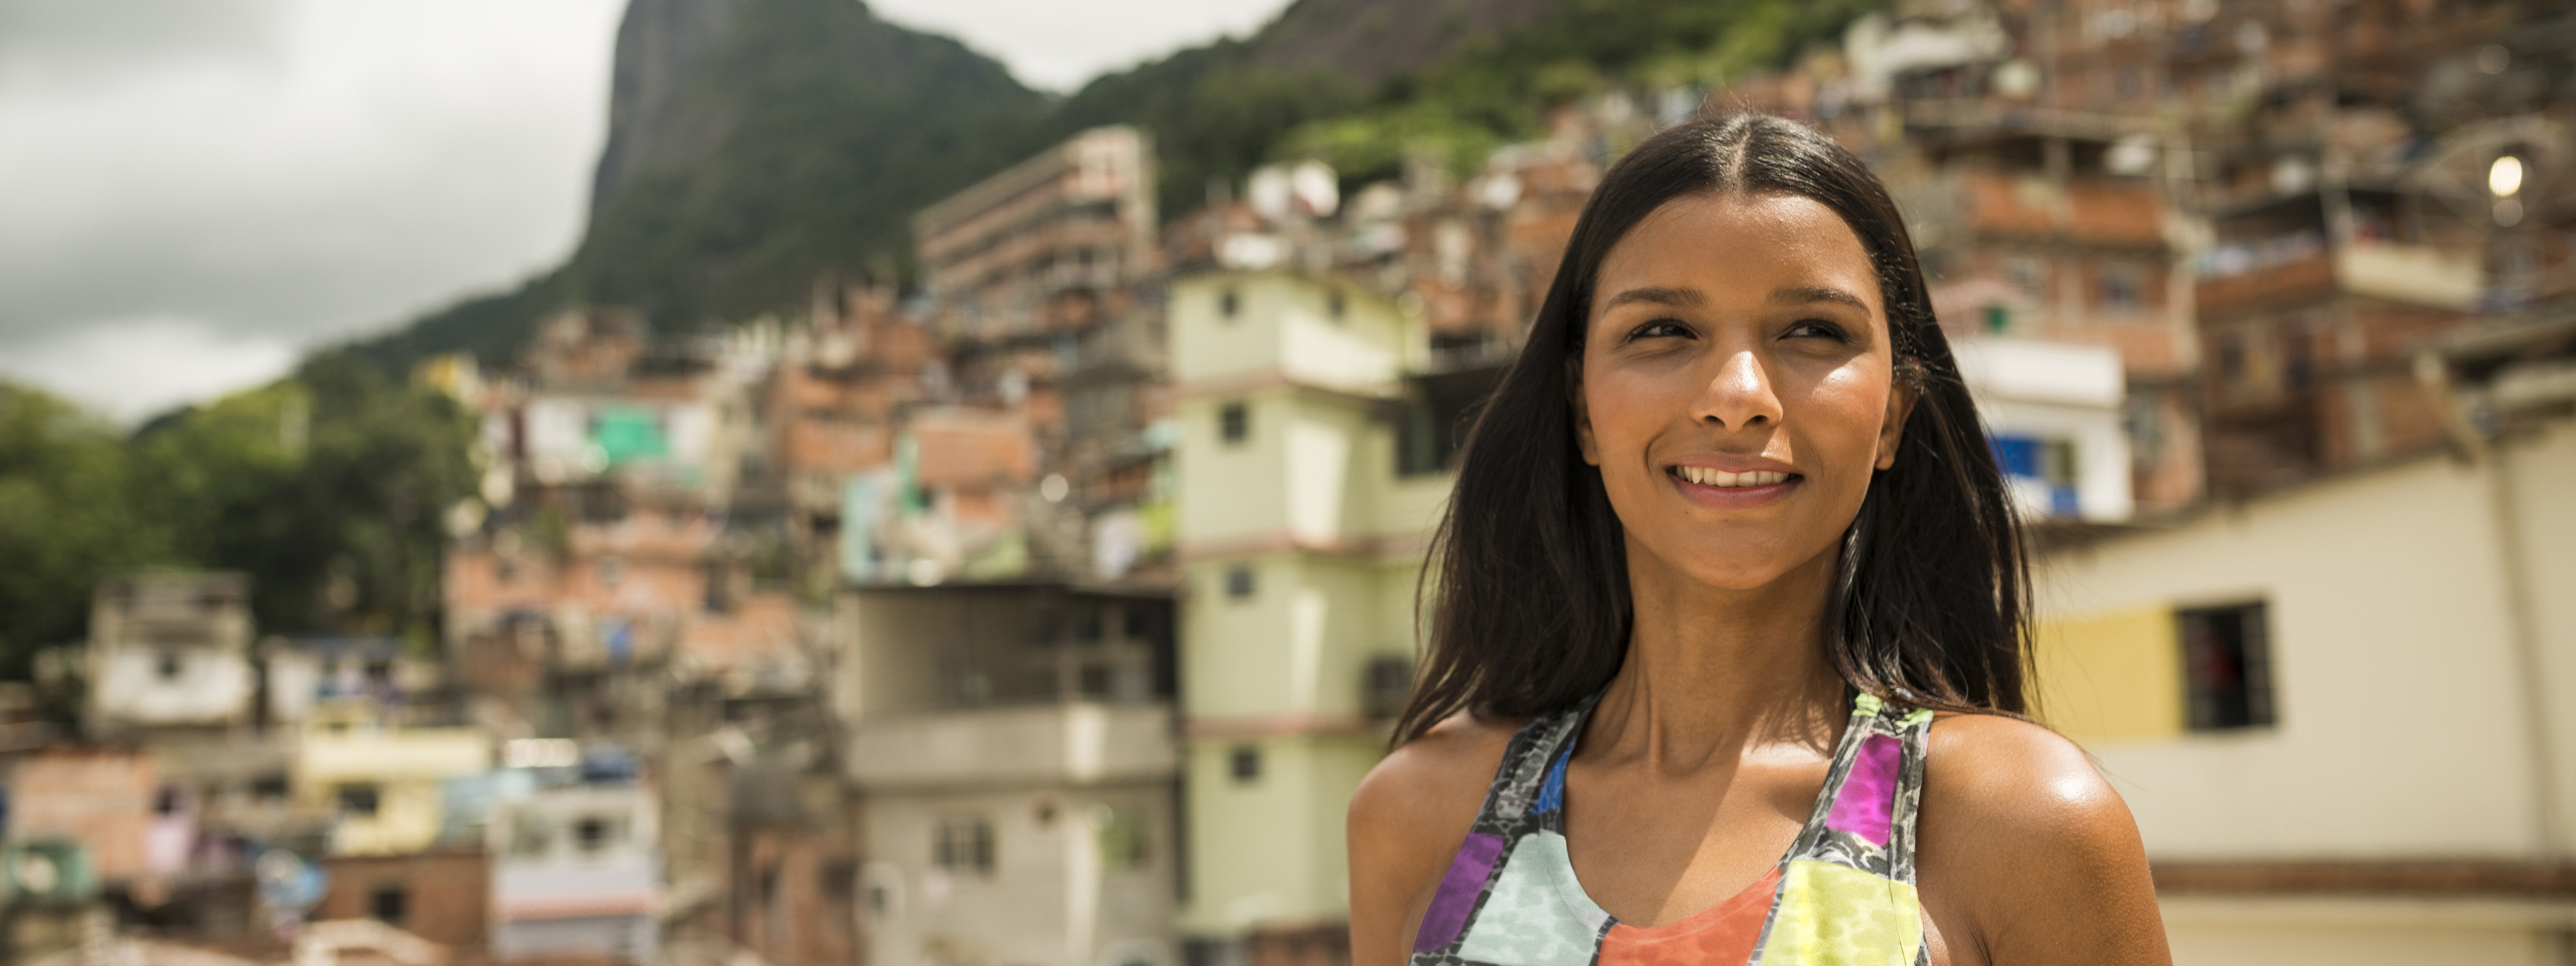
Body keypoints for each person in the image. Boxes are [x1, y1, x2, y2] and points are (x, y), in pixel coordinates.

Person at [1347, 114, 2169, 966]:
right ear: (1581, 409)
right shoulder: (1418, 818)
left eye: (1812, 330)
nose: (1737, 395)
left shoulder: (2022, 826)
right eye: (1661, 329)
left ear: (1891, 416)